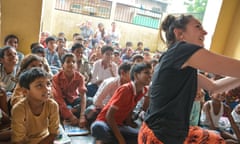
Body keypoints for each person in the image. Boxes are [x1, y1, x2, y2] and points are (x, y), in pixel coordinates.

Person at [138, 14, 240, 144]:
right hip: (160, 137)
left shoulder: (178, 62)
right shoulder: (181, 50)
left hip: (164, 133)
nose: (205, 32)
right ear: (180, 34)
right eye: (198, 26)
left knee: (219, 140)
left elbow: (214, 87)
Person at [91, 63, 152, 144]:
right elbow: (109, 116)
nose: (150, 76)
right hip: (105, 122)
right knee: (97, 127)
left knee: (143, 137)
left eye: (151, 73)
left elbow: (130, 108)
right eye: (146, 73)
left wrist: (129, 123)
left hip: (119, 125)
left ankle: (106, 140)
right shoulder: (125, 89)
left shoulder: (143, 90)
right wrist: (121, 139)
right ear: (136, 75)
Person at [11, 67, 59, 144]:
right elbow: (18, 140)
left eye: (48, 83)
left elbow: (54, 133)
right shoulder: (19, 109)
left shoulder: (52, 105)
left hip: (45, 139)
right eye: (39, 85)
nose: (47, 89)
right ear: (25, 91)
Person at [52, 53, 88, 128]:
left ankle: (69, 113)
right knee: (54, 105)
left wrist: (82, 116)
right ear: (62, 65)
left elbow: (83, 95)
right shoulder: (56, 78)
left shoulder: (80, 77)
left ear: (76, 65)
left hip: (73, 100)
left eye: (73, 62)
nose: (71, 64)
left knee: (90, 101)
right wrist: (70, 116)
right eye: (68, 61)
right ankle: (68, 114)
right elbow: (59, 98)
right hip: (62, 101)